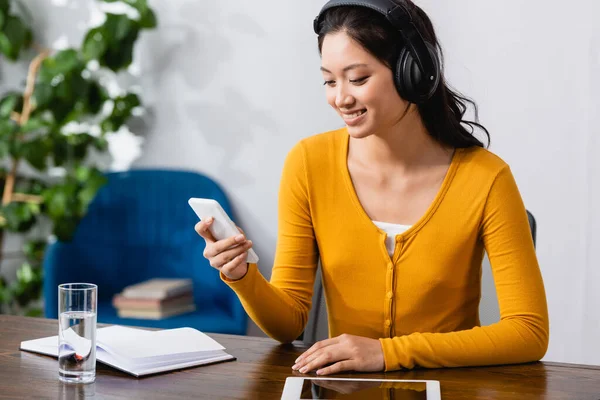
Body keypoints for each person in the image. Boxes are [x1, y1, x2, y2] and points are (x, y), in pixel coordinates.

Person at [195, 0, 549, 375]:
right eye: (330, 81)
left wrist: (388, 353)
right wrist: (242, 275)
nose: (341, 98)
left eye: (358, 79)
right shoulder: (308, 163)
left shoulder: (486, 177)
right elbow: (289, 323)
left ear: (412, 73)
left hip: (447, 388)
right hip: (343, 388)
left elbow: (528, 332)